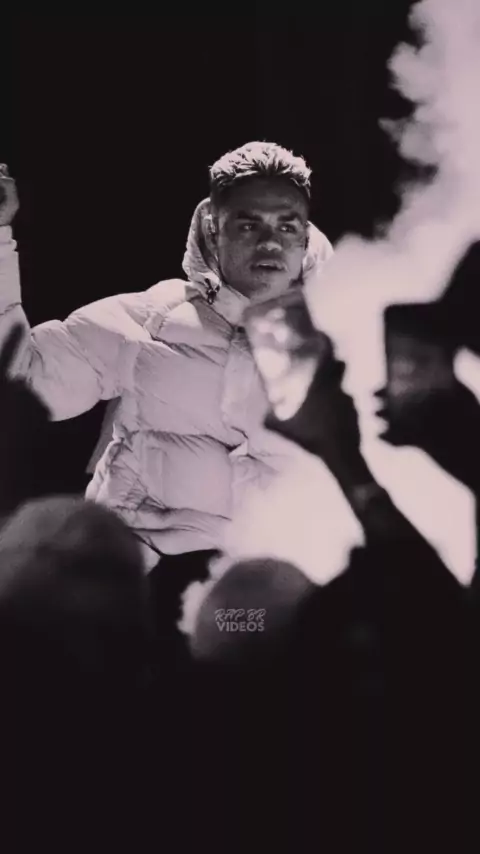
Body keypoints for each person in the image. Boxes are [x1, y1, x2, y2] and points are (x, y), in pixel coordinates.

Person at [0, 146, 333, 589]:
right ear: (213, 230)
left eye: (286, 226)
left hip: (279, 586)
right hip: (140, 581)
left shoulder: (344, 336)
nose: (269, 243)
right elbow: (22, 381)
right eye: (248, 224)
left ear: (305, 236)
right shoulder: (148, 320)